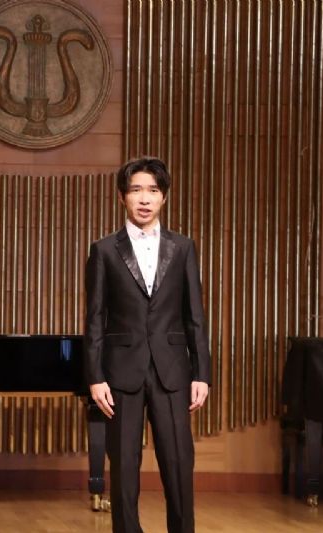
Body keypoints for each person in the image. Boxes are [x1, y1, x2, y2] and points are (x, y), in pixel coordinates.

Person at [84, 157, 211, 533]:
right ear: (122, 196)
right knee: (124, 465)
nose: (144, 198)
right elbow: (94, 318)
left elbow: (195, 315)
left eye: (153, 190)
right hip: (121, 372)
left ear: (164, 197)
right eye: (136, 190)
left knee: (179, 463)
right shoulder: (104, 250)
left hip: (173, 370)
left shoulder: (183, 247)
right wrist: (95, 377)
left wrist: (202, 373)